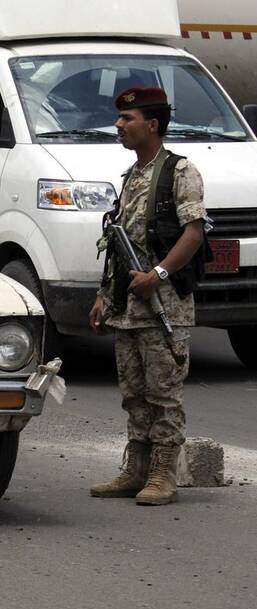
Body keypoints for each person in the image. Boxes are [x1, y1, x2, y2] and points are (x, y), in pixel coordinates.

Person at [88, 86, 207, 506]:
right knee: (134, 394)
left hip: (163, 308)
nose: (119, 126)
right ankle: (135, 469)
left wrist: (158, 274)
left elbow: (194, 231)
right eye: (120, 119)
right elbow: (119, 244)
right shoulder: (132, 176)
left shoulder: (179, 171)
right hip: (128, 308)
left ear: (152, 125)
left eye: (127, 119)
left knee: (163, 395)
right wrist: (104, 295)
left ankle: (162, 474)